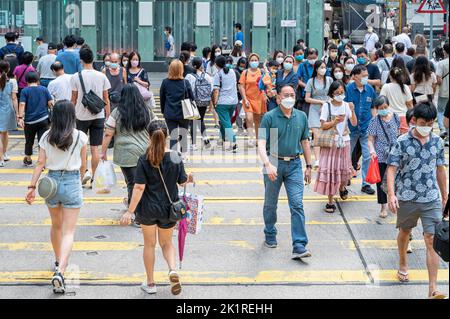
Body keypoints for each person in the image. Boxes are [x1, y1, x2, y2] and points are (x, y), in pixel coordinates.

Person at [120, 120, 194, 295]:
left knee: (149, 245)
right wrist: (189, 178)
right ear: (167, 136)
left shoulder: (145, 158)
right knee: (167, 243)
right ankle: (172, 270)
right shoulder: (176, 157)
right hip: (169, 210)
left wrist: (130, 211)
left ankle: (151, 283)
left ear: (148, 136)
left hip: (147, 209)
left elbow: (139, 187)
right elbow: (182, 181)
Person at [24, 100, 87, 293]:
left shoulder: (46, 136)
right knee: (69, 231)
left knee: (56, 226)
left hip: (50, 184)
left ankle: (58, 259)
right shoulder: (80, 136)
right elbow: (83, 165)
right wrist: (80, 179)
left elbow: (40, 163)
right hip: (71, 181)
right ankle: (60, 270)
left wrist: (32, 187)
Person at [386, 103, 448, 299]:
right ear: (414, 121)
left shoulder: (437, 141)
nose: (427, 127)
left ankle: (433, 288)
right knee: (405, 232)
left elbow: (440, 169)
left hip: (431, 198)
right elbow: (391, 169)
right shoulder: (402, 142)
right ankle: (403, 262)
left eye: (430, 124)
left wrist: (445, 196)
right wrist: (391, 194)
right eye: (423, 123)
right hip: (407, 197)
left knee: (432, 240)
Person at [258, 84, 313, 259]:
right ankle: (270, 232)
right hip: (273, 161)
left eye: (292, 95)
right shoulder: (269, 117)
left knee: (297, 204)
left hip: (295, 165)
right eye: (285, 95)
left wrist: (309, 166)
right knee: (270, 204)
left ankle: (299, 245)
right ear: (278, 98)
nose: (289, 98)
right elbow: (260, 143)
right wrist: (267, 164)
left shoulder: (301, 117)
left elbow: (305, 142)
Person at [101, 84, 154, 209]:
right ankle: (141, 208)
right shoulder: (147, 110)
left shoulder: (117, 112)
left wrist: (103, 152)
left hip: (125, 153)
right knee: (143, 182)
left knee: (132, 183)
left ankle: (135, 211)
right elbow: (156, 129)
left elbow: (108, 134)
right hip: (145, 152)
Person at [71, 46, 111, 187]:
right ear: (93, 59)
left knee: (82, 147)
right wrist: (108, 116)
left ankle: (82, 176)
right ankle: (94, 177)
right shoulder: (102, 76)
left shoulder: (76, 76)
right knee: (95, 148)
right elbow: (106, 99)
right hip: (98, 115)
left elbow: (74, 99)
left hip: (81, 116)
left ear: (81, 60)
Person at [314, 81, 356, 213]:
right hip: (331, 143)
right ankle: (330, 201)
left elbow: (354, 123)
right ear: (332, 93)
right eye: (337, 93)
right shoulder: (327, 106)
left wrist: (352, 110)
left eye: (342, 92)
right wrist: (334, 122)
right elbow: (322, 126)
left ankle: (342, 187)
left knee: (344, 169)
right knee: (330, 172)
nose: (340, 95)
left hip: (345, 142)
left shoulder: (346, 105)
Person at [345, 65, 377, 195]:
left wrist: (374, 121)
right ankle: (345, 179)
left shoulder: (369, 89)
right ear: (355, 76)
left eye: (366, 75)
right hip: (351, 129)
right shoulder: (348, 89)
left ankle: (366, 184)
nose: (366, 78)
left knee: (367, 156)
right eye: (363, 75)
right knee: (346, 155)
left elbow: (373, 107)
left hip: (366, 128)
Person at [368, 96, 400, 218]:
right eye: (381, 108)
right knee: (381, 182)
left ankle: (395, 201)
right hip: (381, 155)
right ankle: (383, 206)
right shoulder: (374, 121)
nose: (384, 110)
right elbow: (370, 140)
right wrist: (372, 151)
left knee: (396, 179)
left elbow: (397, 133)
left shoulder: (395, 117)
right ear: (377, 109)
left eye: (385, 107)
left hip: (395, 154)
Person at [17, 71, 53, 166]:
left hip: (30, 121)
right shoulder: (44, 89)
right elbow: (51, 103)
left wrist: (20, 118)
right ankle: (42, 161)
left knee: (29, 140)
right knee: (43, 140)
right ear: (38, 80)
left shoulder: (25, 91)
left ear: (26, 81)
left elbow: (22, 104)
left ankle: (28, 159)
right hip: (44, 120)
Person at [160, 59, 194, 158]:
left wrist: (163, 111)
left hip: (170, 113)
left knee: (173, 135)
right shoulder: (185, 82)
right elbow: (192, 98)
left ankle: (173, 156)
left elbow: (162, 98)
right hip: (184, 113)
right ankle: (183, 156)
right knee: (183, 133)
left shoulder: (165, 82)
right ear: (181, 70)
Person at [305, 60, 333, 168]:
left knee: (325, 135)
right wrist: (320, 102)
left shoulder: (329, 80)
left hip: (327, 109)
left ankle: (325, 159)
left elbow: (333, 94)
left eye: (324, 67)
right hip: (314, 109)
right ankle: (317, 160)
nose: (323, 69)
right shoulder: (311, 81)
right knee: (316, 135)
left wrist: (326, 103)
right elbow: (307, 98)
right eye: (321, 67)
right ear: (316, 69)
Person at [239, 53, 266, 148]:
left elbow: (267, 83)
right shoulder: (245, 72)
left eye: (256, 60)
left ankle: (258, 139)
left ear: (258, 61)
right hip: (248, 99)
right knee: (249, 118)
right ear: (249, 62)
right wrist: (244, 98)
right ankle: (251, 138)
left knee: (257, 120)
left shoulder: (262, 72)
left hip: (259, 99)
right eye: (252, 60)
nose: (254, 62)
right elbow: (241, 86)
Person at [185, 57, 213, 150]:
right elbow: (211, 90)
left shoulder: (189, 76)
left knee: (193, 121)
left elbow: (186, 89)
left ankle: (193, 144)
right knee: (200, 120)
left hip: (192, 101)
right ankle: (205, 139)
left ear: (193, 66)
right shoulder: (207, 76)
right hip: (204, 102)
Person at [213, 55, 239, 152]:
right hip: (233, 101)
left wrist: (215, 103)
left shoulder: (218, 74)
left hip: (222, 102)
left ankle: (233, 143)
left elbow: (216, 90)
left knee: (226, 122)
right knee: (225, 121)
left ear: (216, 64)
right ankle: (222, 140)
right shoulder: (232, 71)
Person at [380, 67, 414, 134]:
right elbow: (409, 104)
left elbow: (381, 101)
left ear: (390, 76)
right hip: (403, 117)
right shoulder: (405, 87)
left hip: (389, 117)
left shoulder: (386, 87)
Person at [0, 61, 18, 167]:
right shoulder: (12, 82)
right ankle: (4, 154)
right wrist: (18, 114)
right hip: (7, 110)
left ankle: (1, 158)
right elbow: (14, 98)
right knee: (5, 133)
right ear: (8, 69)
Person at [436, 42, 449, 140]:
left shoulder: (441, 63)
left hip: (444, 91)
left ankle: (443, 129)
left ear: (444, 51)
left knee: (441, 110)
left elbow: (439, 79)